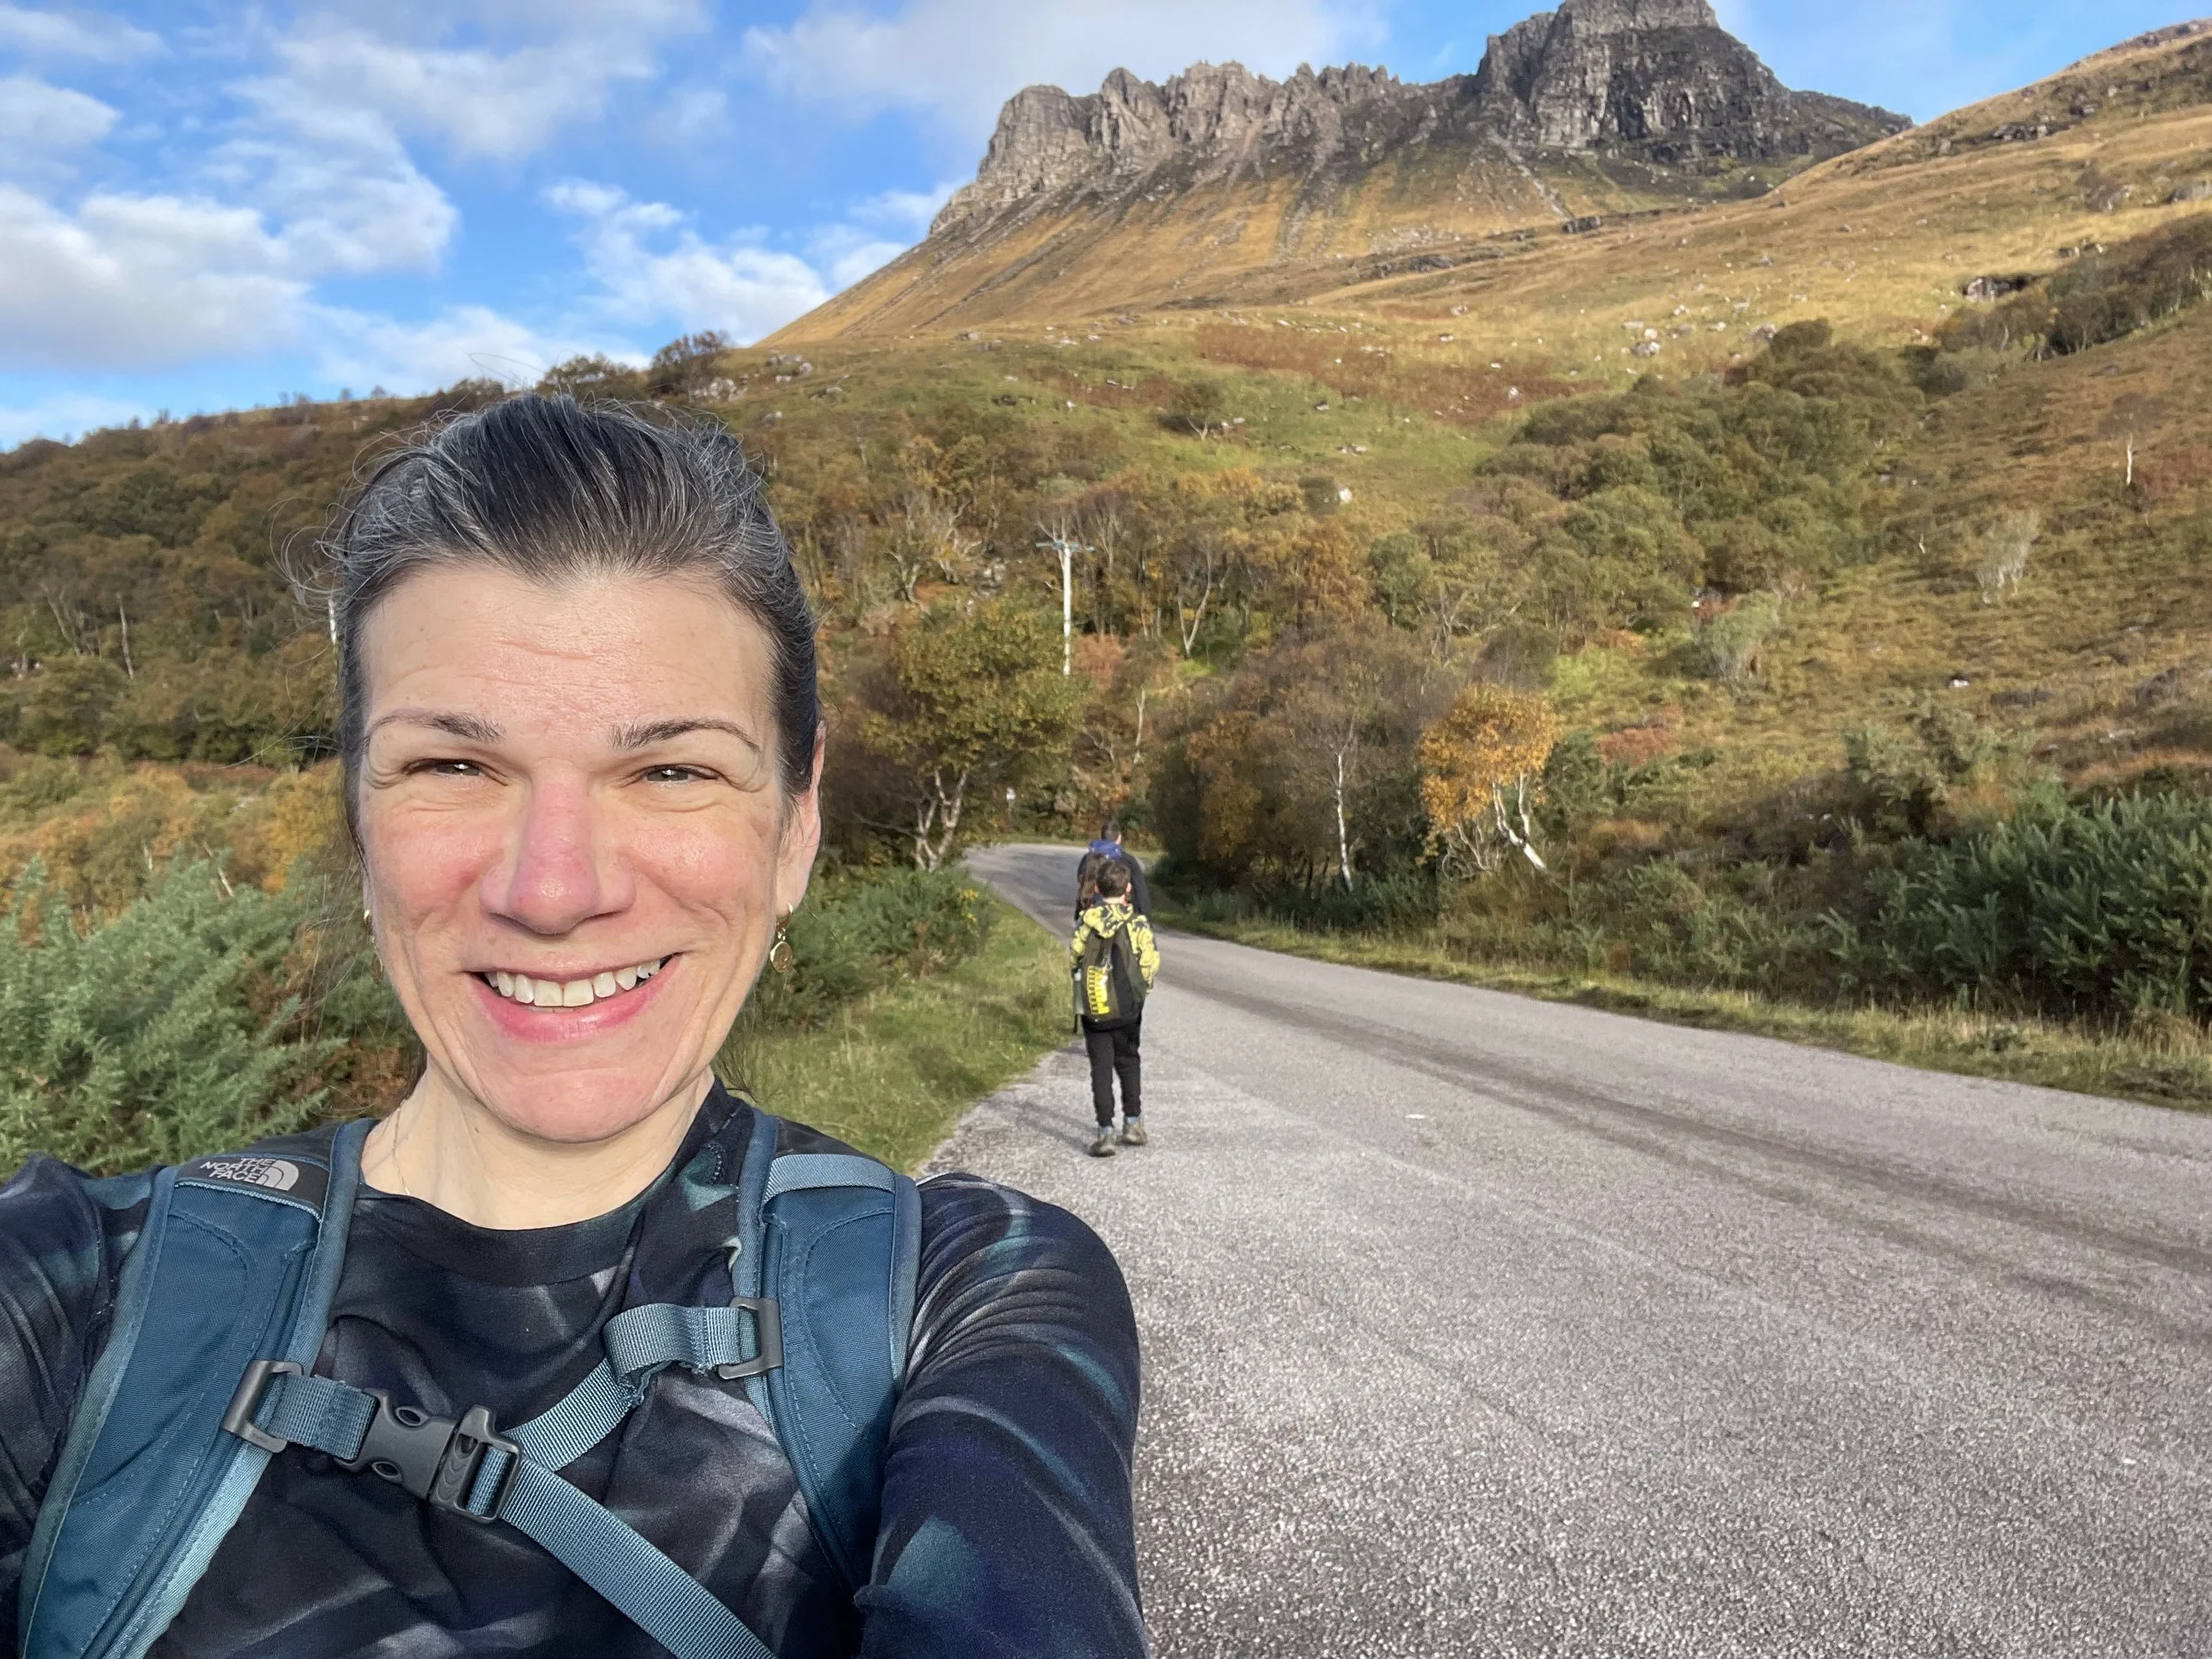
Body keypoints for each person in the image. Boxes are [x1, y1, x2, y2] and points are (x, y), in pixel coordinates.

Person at [0, 396, 1144, 1659]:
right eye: (452, 766)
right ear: (359, 822)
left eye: (669, 770)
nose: (553, 889)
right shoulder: (65, 1299)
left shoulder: (965, 1294)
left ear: (797, 825)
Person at [1070, 862, 1159, 1160]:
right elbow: (1149, 963)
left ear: (1096, 889)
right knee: (1129, 1060)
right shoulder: (1137, 923)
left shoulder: (1086, 921)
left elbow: (1075, 958)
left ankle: (1104, 1131)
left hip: (1095, 1007)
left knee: (1101, 1067)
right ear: (1128, 890)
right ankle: (1132, 1123)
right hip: (1128, 1008)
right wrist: (1140, 992)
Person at [1075, 818, 1149, 918]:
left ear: (1101, 837)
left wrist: (1079, 914)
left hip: (1091, 913)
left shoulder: (1087, 858)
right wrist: (1144, 916)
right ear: (1119, 838)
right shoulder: (1128, 861)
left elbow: (1081, 884)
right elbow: (1140, 891)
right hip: (1121, 914)